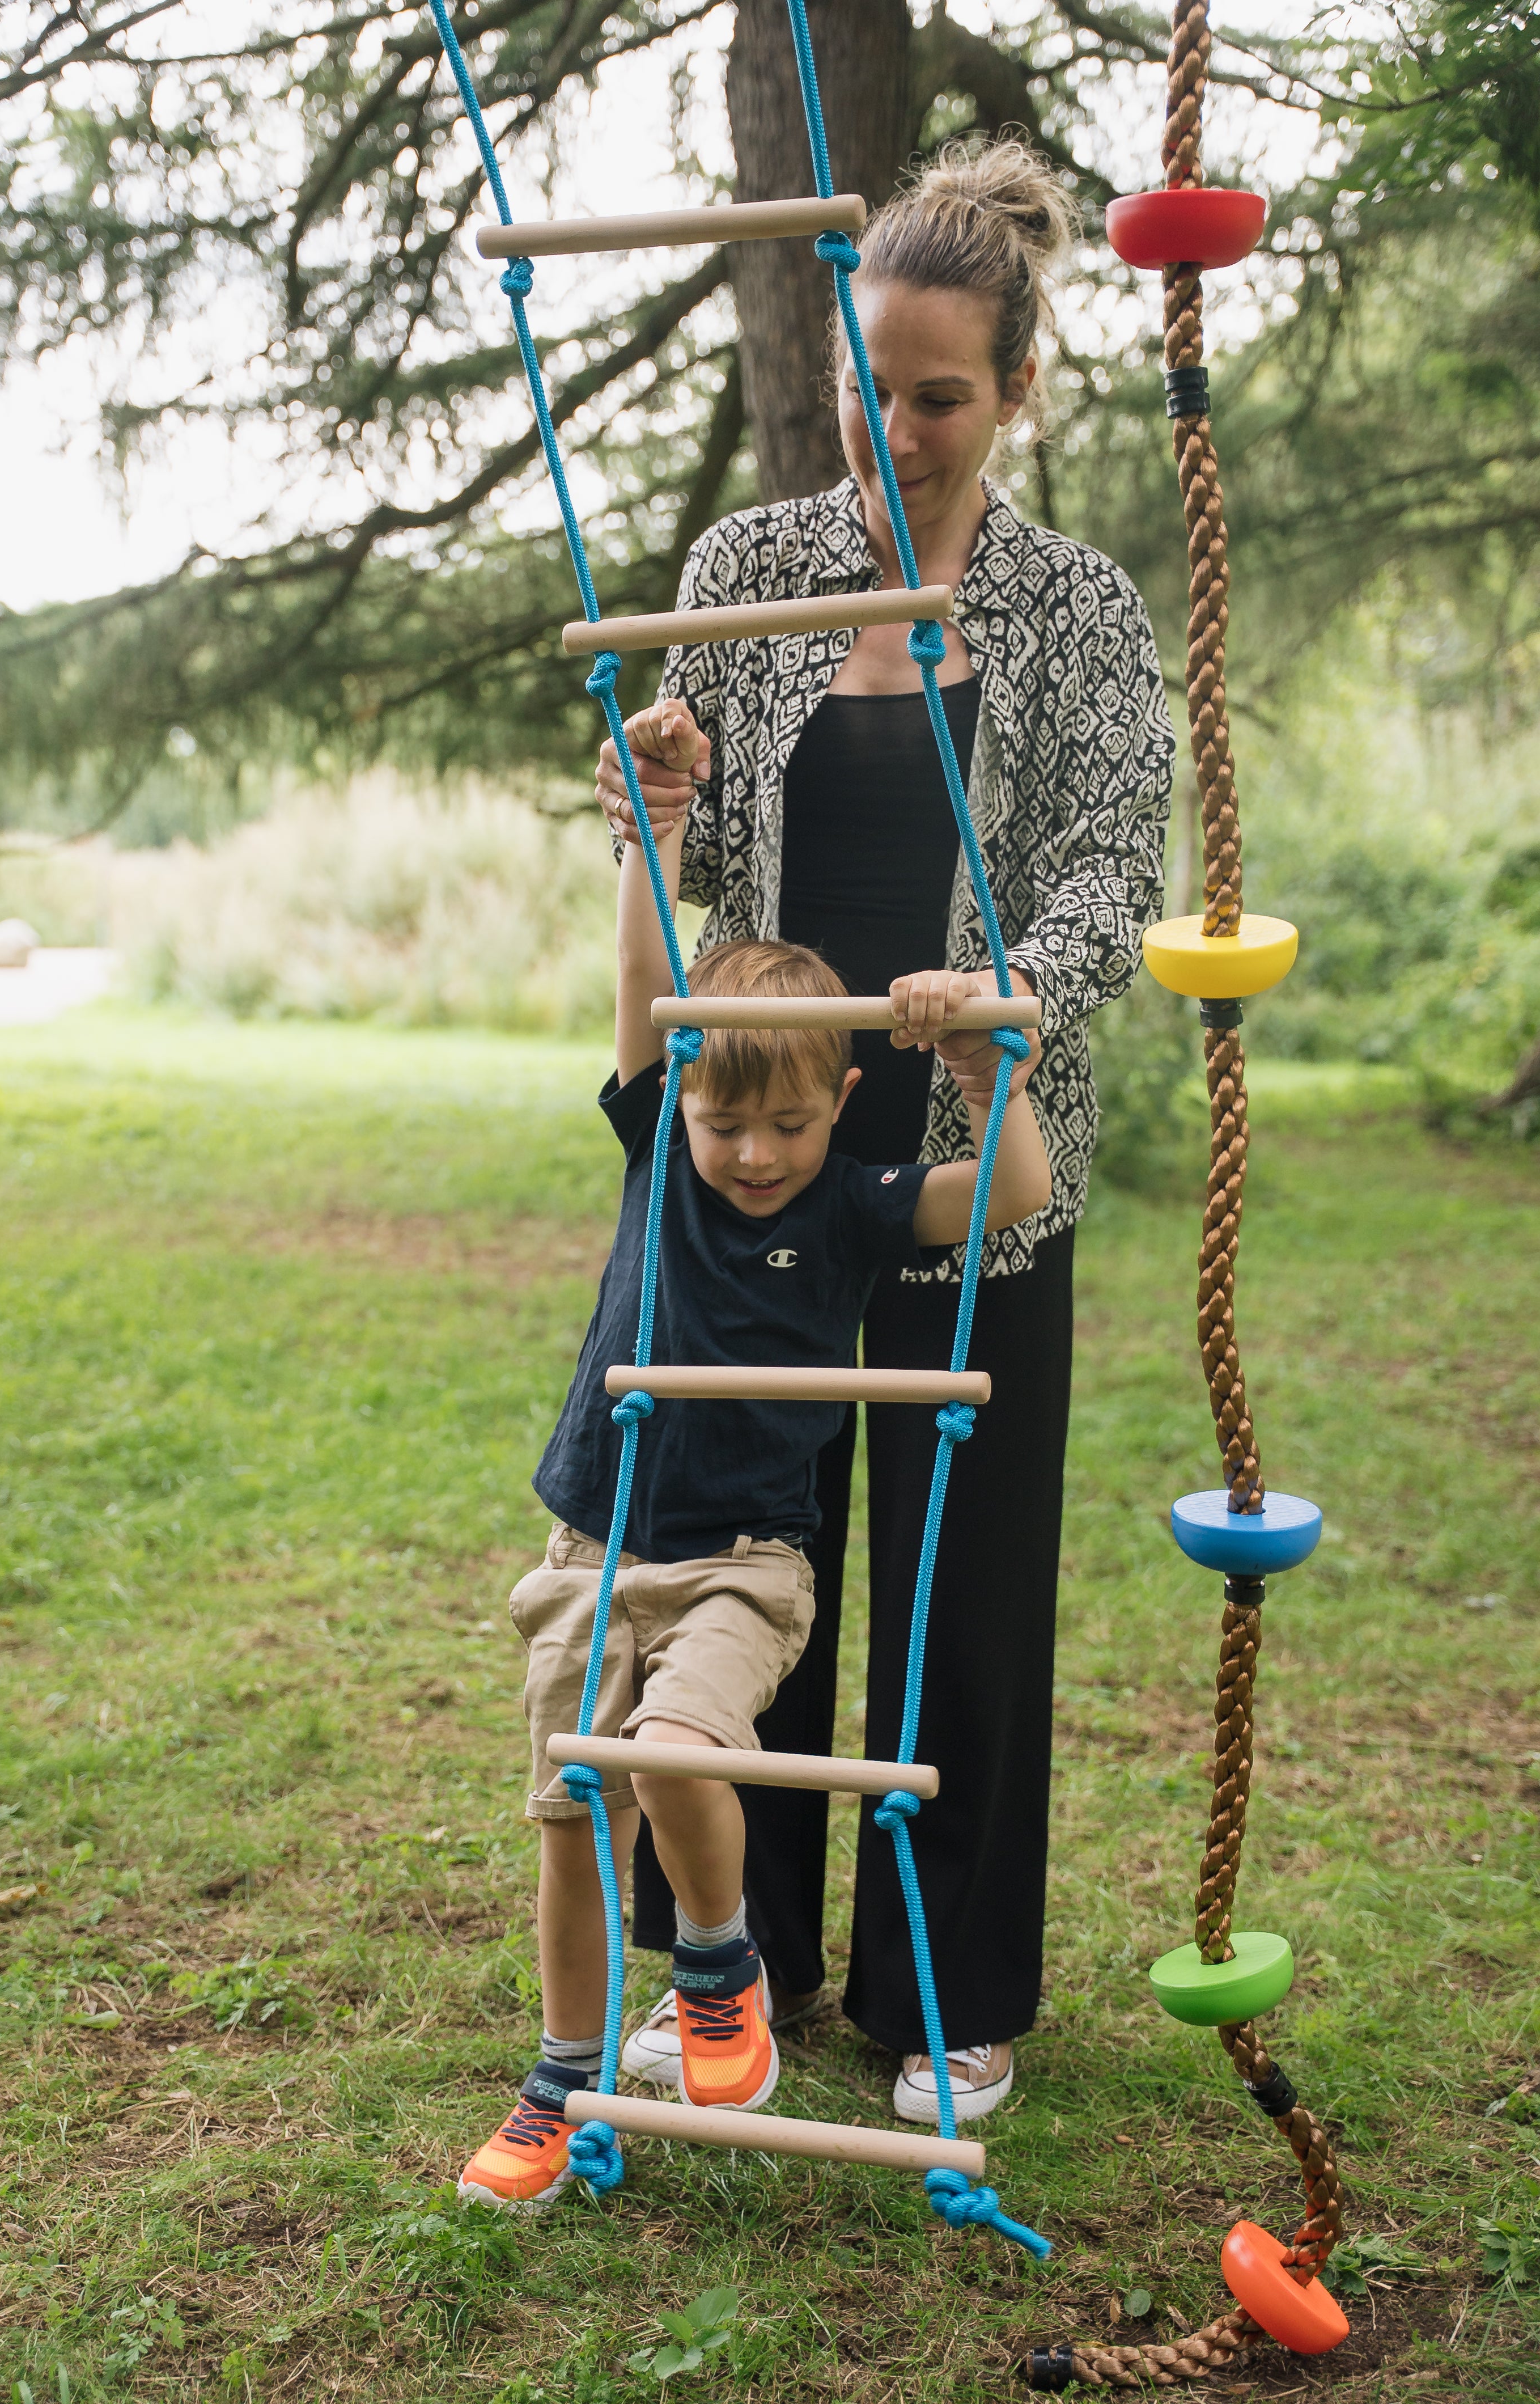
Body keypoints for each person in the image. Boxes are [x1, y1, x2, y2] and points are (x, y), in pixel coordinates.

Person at [595, 141, 1174, 2124]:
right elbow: (699, 868)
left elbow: (1112, 869)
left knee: (954, 1580)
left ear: (1015, 390)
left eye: (940, 392)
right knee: (747, 1561)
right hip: (766, 1177)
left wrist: (998, 997)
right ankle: (724, 1976)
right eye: (869, 382)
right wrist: (657, 787)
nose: (898, 423)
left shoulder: (1076, 610)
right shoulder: (748, 575)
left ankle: (946, 1999)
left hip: (971, 1171)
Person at [460, 765, 1051, 2208]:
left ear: (839, 1101)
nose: (751, 1154)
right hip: (595, 1538)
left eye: (786, 1126)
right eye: (726, 1125)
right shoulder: (662, 1153)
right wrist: (654, 840)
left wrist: (989, 1073)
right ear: (685, 1103)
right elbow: (644, 985)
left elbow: (1009, 1198)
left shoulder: (851, 1201)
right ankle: (558, 2072)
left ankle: (721, 1970)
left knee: (672, 1750)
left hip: (745, 1558)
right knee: (572, 1818)